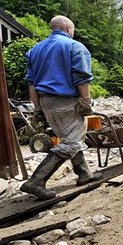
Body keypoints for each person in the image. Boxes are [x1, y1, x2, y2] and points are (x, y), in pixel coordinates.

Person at [20, 15, 101, 200]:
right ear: (68, 28)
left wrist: (37, 108)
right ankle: (36, 181)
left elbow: (31, 83)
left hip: (46, 102)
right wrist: (87, 102)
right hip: (66, 102)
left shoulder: (34, 51)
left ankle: (84, 173)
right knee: (71, 141)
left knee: (68, 138)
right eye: (72, 30)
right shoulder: (74, 46)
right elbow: (82, 77)